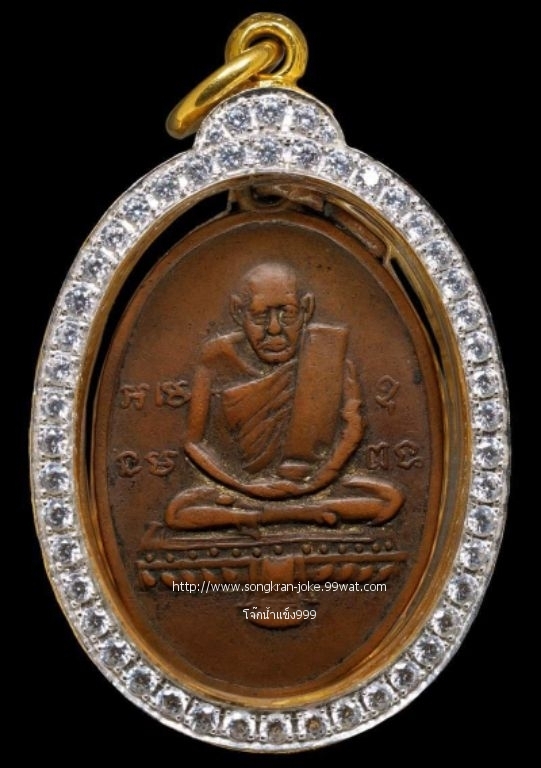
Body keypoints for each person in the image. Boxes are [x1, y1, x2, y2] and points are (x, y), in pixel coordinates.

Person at [165, 263, 403, 534]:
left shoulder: (327, 353)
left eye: (287, 314)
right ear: (237, 312)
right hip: (240, 492)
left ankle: (263, 517)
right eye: (259, 317)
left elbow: (353, 427)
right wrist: (245, 487)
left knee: (389, 500)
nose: (275, 329)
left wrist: (315, 482)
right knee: (177, 511)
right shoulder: (215, 358)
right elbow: (193, 443)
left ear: (306, 310)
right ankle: (300, 514)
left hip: (316, 487)